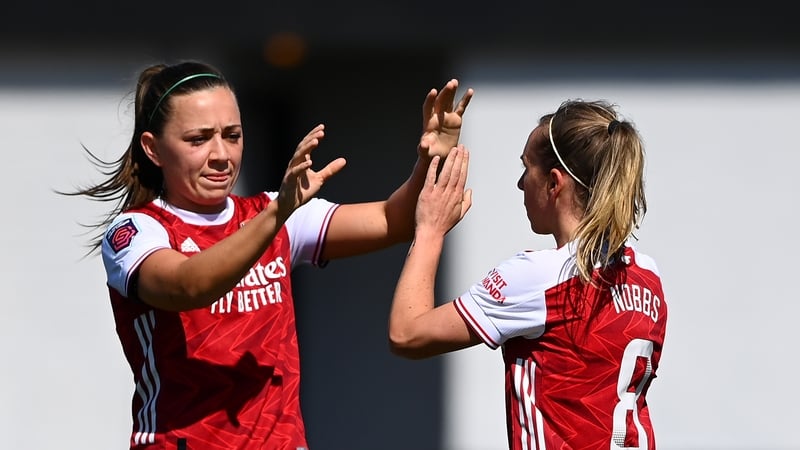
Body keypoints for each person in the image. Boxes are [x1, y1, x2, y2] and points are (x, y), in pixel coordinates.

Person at [65, 60, 473, 450]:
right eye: (198, 139)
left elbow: (392, 220)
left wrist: (430, 159)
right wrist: (278, 215)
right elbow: (187, 286)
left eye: (232, 135)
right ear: (153, 149)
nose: (221, 154)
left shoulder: (273, 212)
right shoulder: (137, 231)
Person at [388, 100, 667, 450]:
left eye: (526, 167)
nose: (520, 183)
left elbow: (406, 333)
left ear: (554, 183)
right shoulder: (647, 275)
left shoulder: (539, 278)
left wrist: (429, 230)